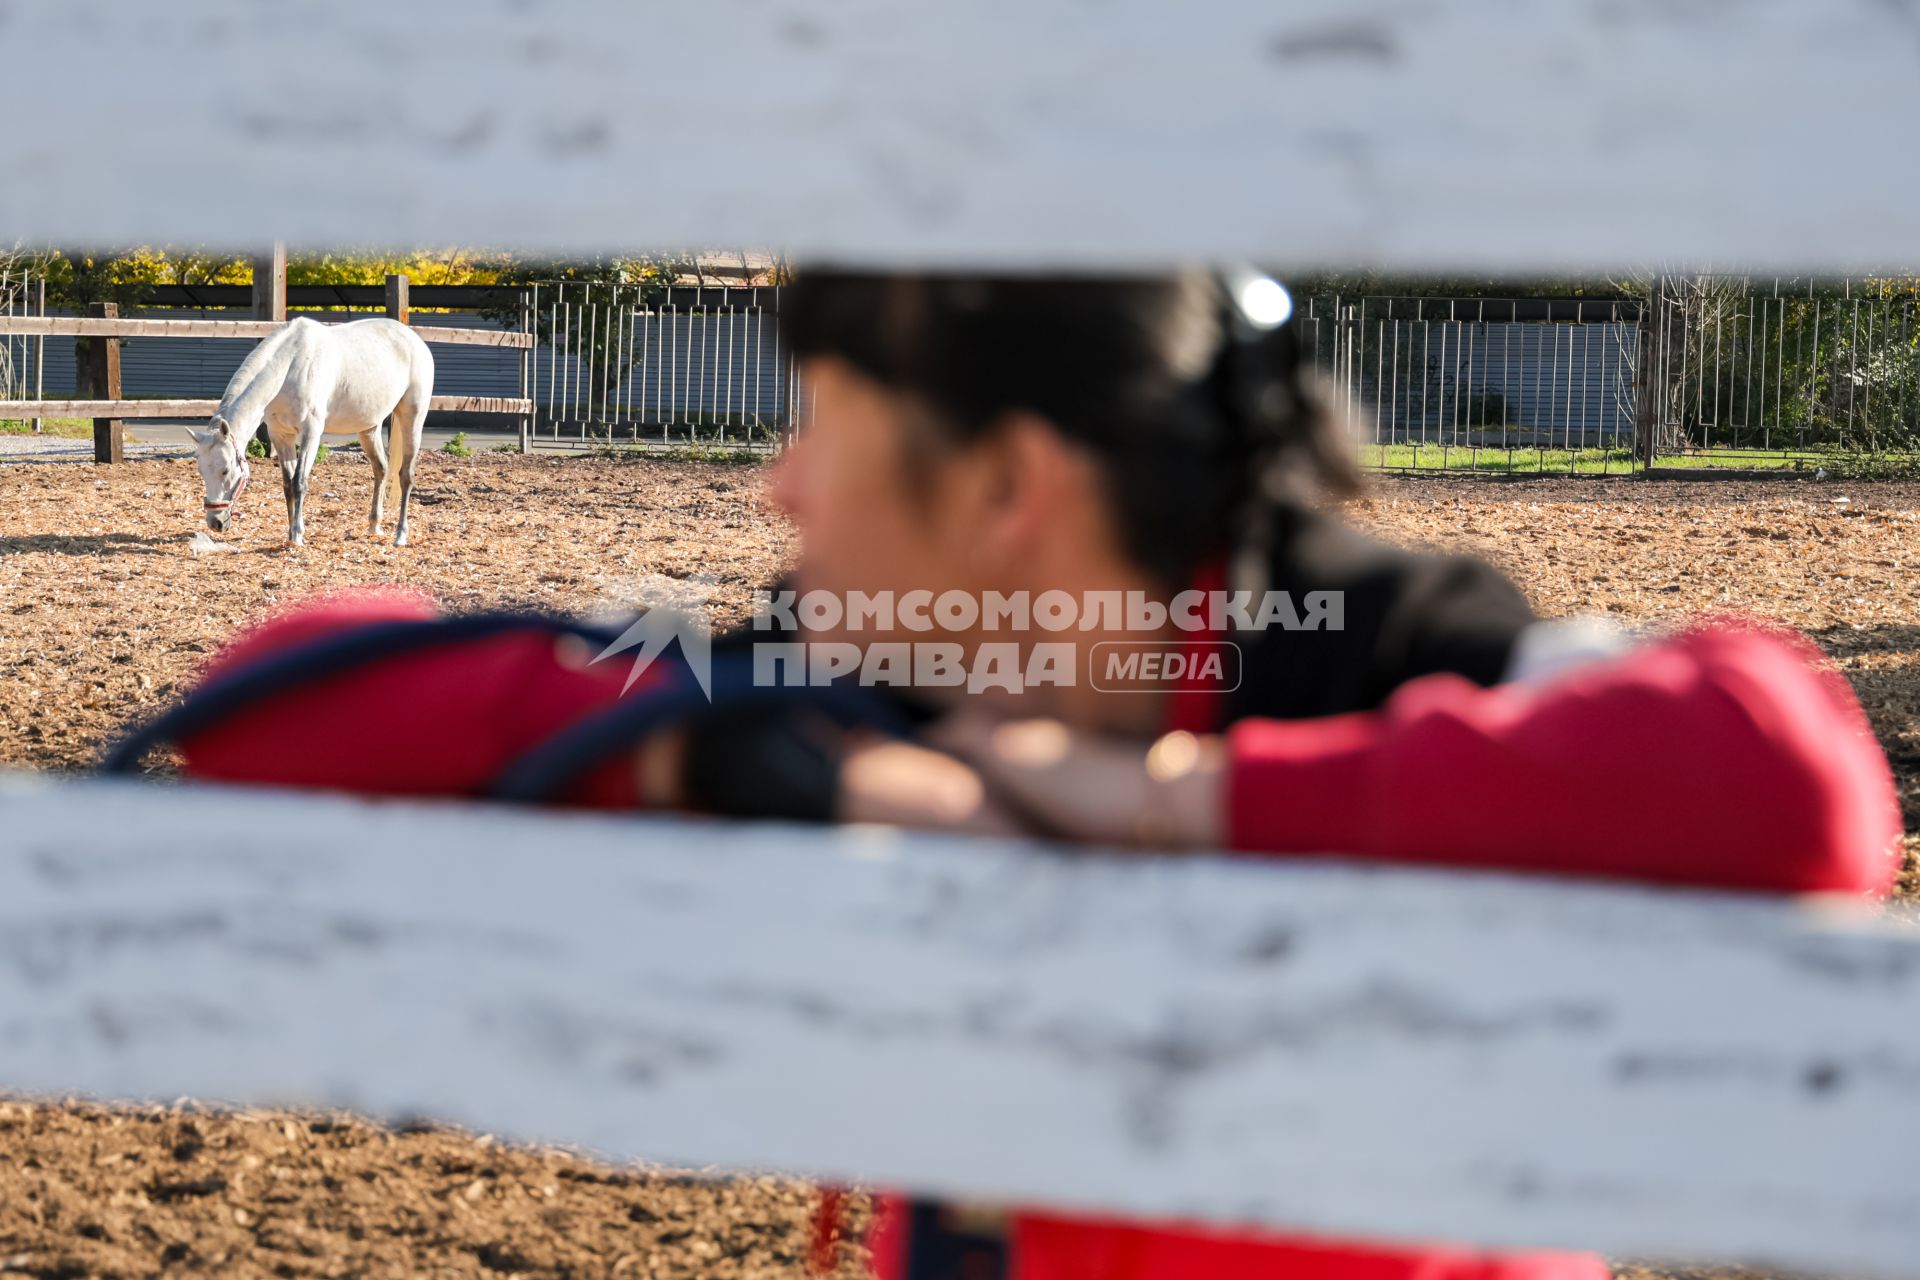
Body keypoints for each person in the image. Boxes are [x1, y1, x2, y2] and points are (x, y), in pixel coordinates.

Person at [146, 270, 1902, 1280]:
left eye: (819, 420)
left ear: (1005, 490)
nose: (777, 487)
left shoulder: (1399, 650)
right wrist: (791, 774)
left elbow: (1791, 790)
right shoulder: (879, 675)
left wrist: (1152, 808)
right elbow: (280, 704)